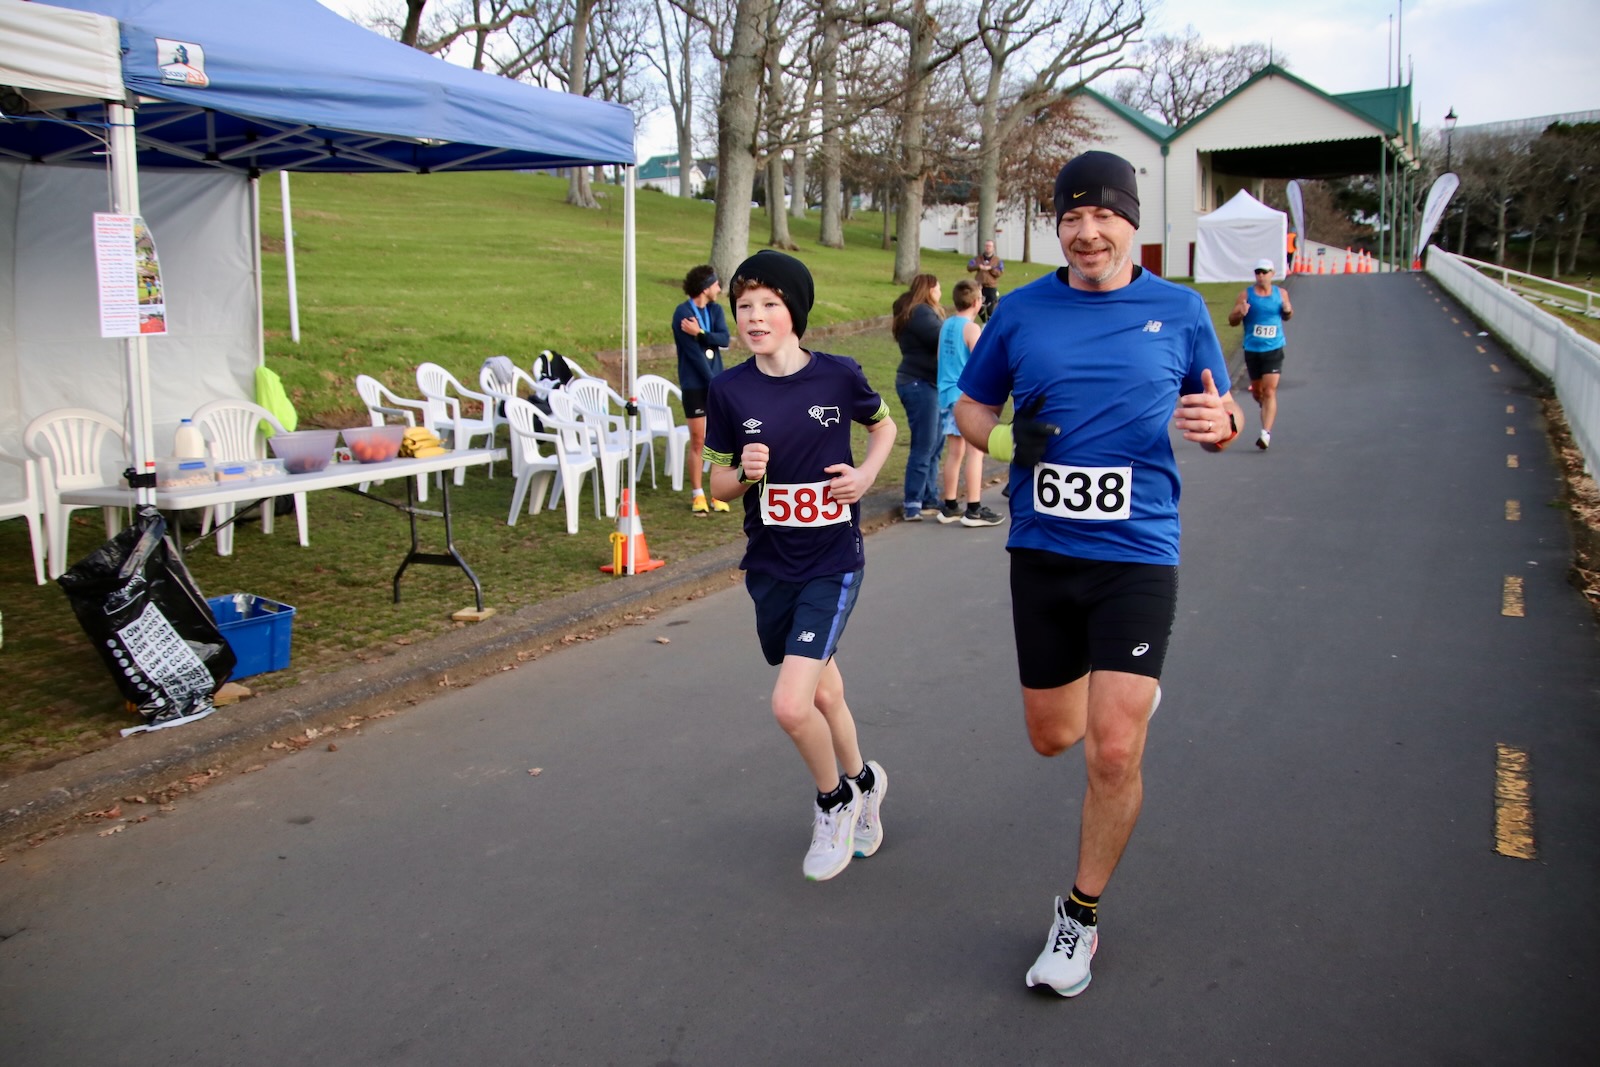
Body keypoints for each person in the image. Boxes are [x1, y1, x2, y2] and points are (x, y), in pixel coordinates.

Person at [954, 150, 1244, 998]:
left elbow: (1219, 411)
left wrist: (1219, 424)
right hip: (1043, 552)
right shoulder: (1023, 312)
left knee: (1113, 749)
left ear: (1133, 222)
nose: (1087, 233)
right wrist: (1006, 442)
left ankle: (1077, 917)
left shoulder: (1182, 310)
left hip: (1138, 553)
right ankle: (1128, 684)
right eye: (1071, 218)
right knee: (1054, 735)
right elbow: (972, 406)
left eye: (1104, 217)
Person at [705, 250, 898, 883]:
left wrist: (865, 476)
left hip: (832, 560)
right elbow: (713, 481)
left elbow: (885, 426)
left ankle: (834, 800)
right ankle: (867, 782)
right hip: (769, 564)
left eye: (769, 304)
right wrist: (742, 473)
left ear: (795, 312)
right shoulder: (729, 389)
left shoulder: (838, 376)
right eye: (743, 307)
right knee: (825, 689)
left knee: (792, 705)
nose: (754, 317)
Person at [935, 279, 1003, 526]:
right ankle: (973, 507)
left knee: (954, 453)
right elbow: (981, 361)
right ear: (977, 302)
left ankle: (950, 504)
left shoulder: (946, 325)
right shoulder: (971, 328)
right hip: (964, 396)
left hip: (945, 394)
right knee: (975, 451)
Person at [672, 264, 732, 514]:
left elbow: (724, 339)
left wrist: (701, 332)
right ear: (706, 287)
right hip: (696, 385)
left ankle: (717, 493)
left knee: (717, 441)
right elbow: (694, 356)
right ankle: (698, 493)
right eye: (716, 284)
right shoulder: (682, 313)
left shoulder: (715, 310)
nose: (719, 288)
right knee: (698, 440)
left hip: (715, 381)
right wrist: (714, 383)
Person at [891, 273, 945, 521]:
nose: (941, 292)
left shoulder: (918, 311)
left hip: (927, 383)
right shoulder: (922, 313)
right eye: (938, 287)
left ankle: (929, 497)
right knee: (925, 444)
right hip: (918, 383)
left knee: (935, 443)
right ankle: (913, 501)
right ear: (929, 288)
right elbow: (943, 337)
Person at [1228, 258, 1293, 450]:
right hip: (1252, 349)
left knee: (1270, 391)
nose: (1261, 275)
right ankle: (1263, 403)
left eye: (1265, 272)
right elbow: (1231, 321)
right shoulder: (1246, 295)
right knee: (1258, 392)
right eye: (1258, 272)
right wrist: (1240, 312)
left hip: (1274, 348)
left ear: (1272, 273)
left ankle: (1265, 433)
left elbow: (1288, 314)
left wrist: (1288, 310)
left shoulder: (1280, 294)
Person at [968, 239, 1004, 323]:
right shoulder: (978, 258)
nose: (987, 248)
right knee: (977, 306)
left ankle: (989, 323)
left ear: (993, 248)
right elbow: (969, 266)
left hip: (991, 286)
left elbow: (1000, 272)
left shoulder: (997, 260)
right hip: (979, 286)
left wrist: (990, 268)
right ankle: (984, 321)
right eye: (986, 246)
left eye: (990, 246)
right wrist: (978, 267)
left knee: (991, 308)